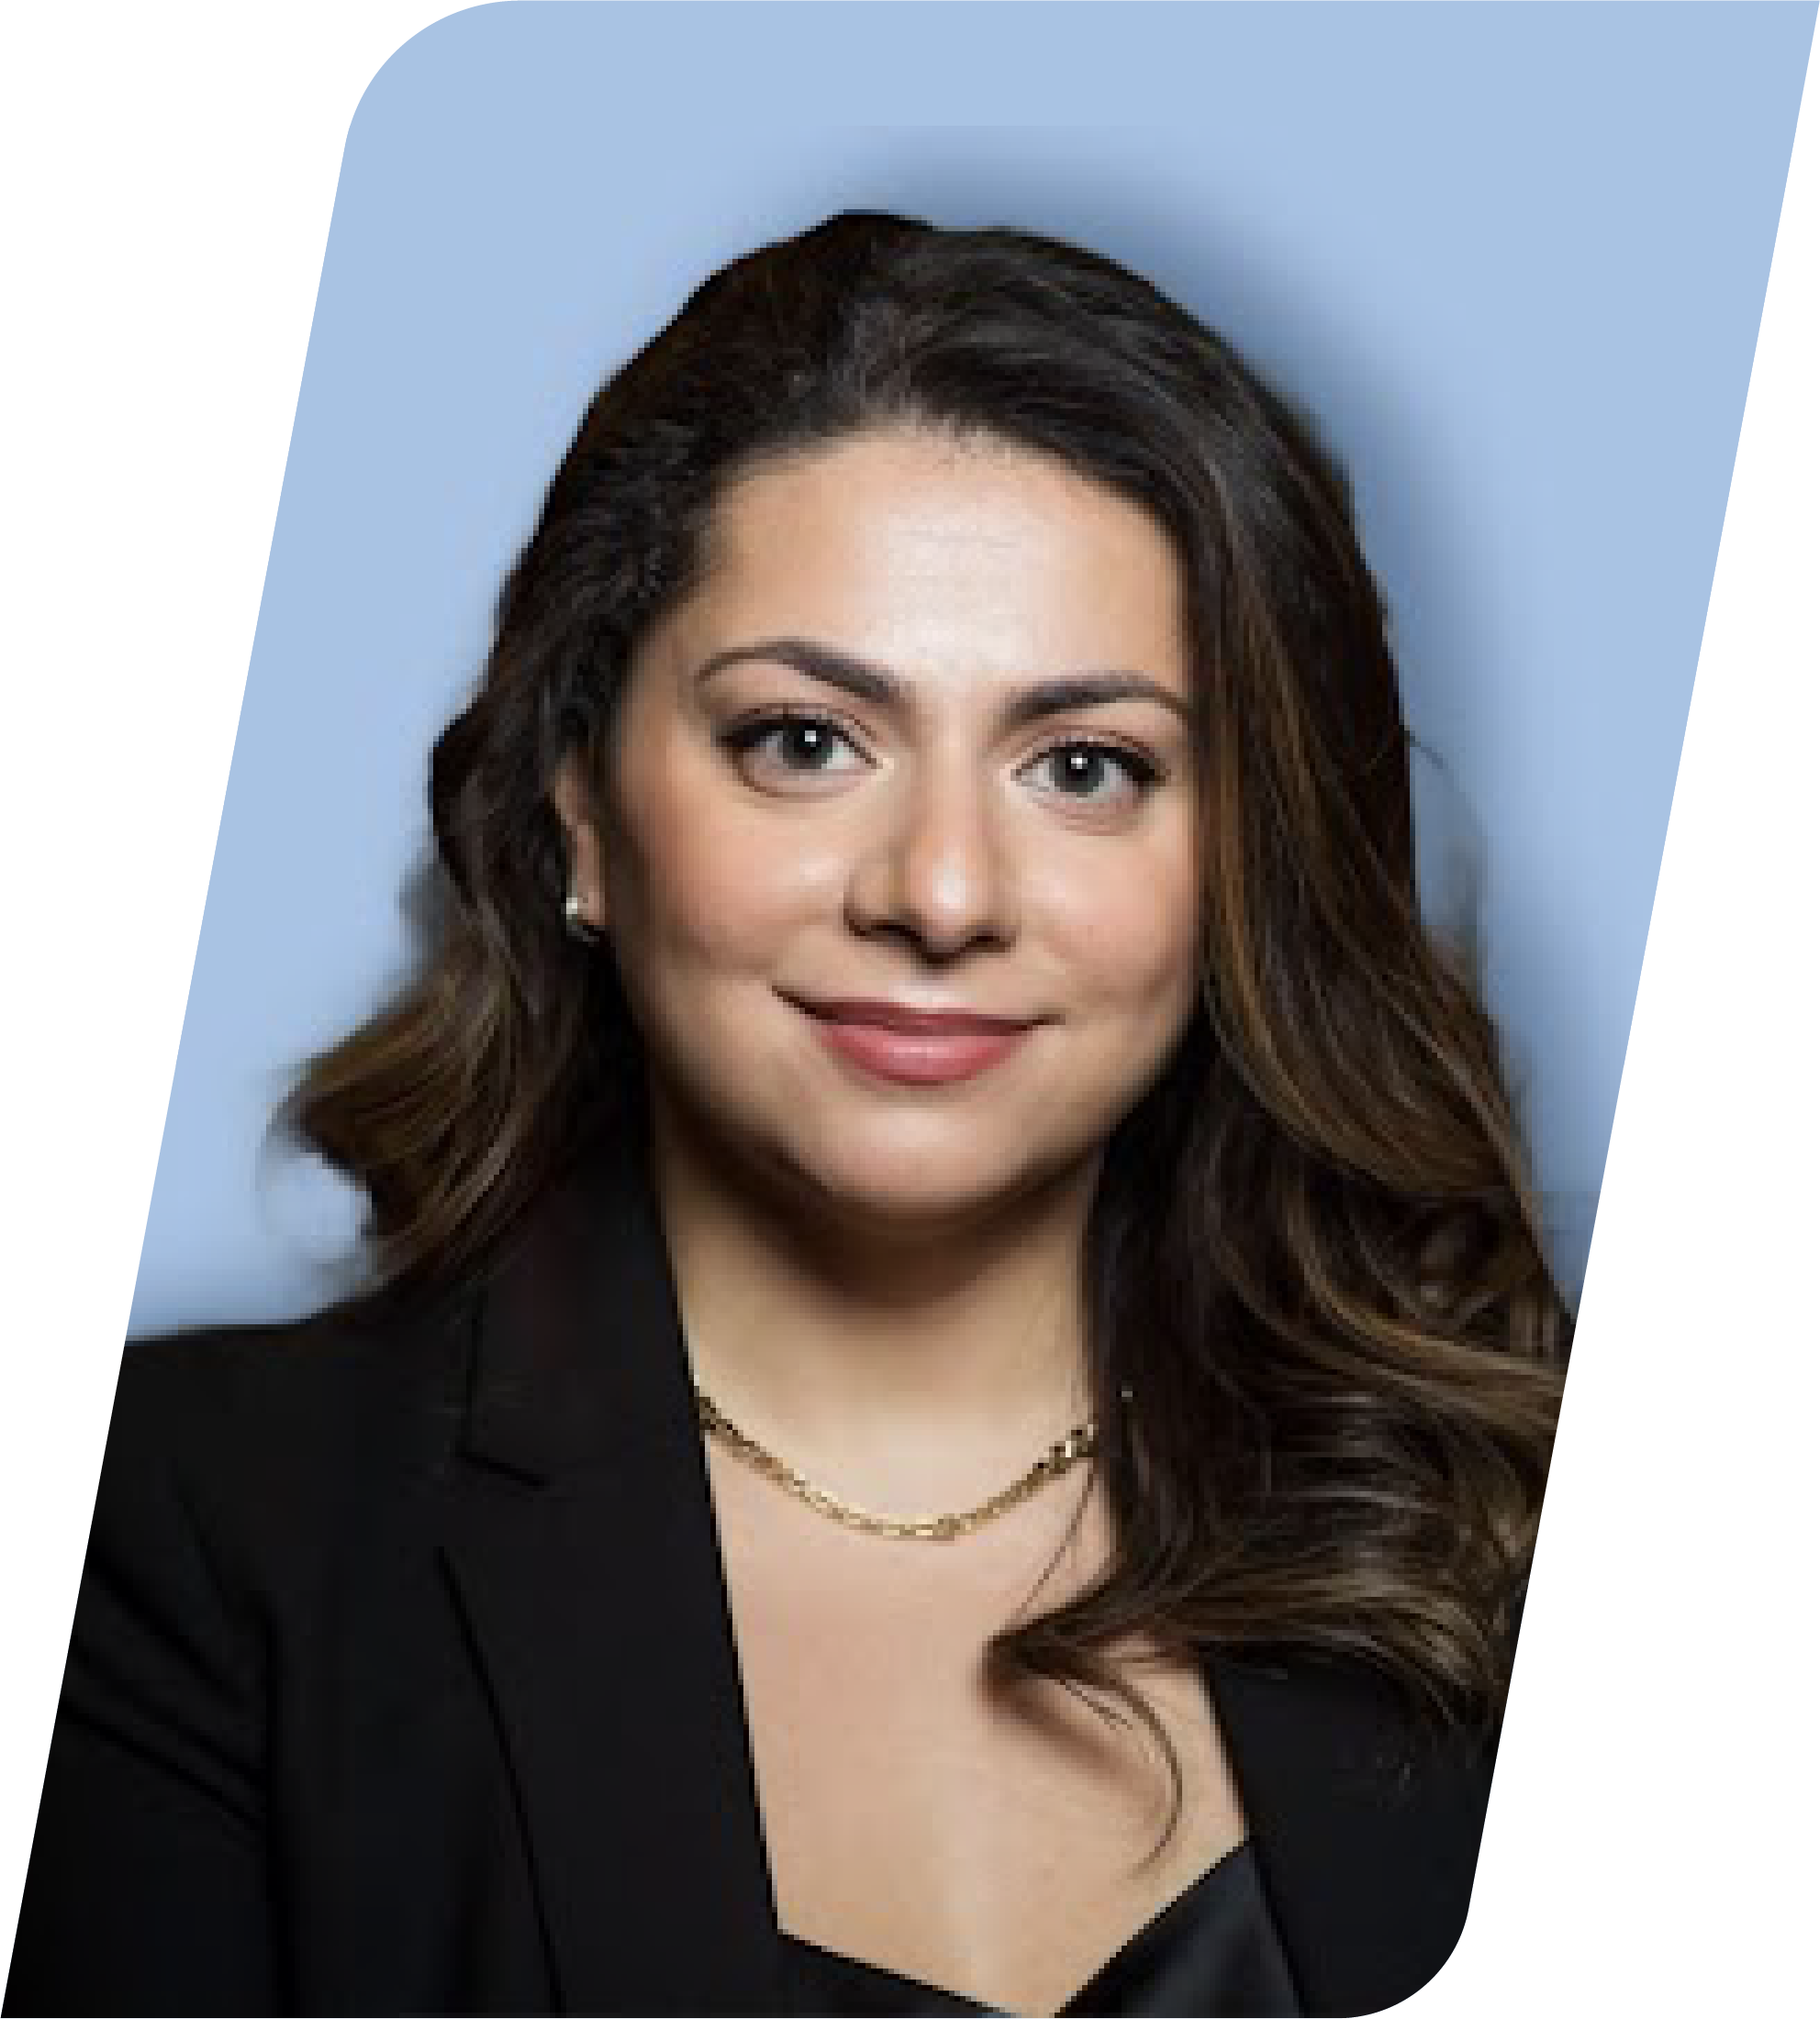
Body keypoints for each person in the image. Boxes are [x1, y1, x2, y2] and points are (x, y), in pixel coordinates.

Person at [8, 211, 1573, 2018]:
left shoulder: (1554, 1522)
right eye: (804, 738)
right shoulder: (196, 1531)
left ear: (1239, 862)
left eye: (1086, 765)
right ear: (582, 805)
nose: (942, 888)